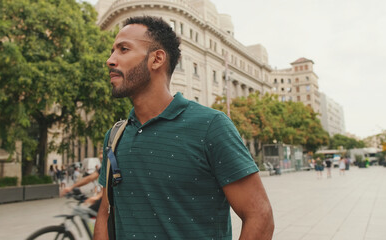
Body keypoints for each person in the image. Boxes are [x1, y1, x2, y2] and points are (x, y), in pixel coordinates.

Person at [94, 16, 274, 240]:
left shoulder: (210, 126)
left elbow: (260, 216)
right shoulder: (115, 137)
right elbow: (104, 213)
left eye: (123, 49)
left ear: (157, 59)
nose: (110, 60)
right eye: (112, 51)